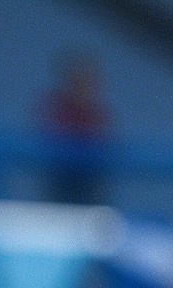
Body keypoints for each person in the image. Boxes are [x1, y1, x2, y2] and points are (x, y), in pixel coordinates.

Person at [37, 48, 113, 207]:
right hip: (59, 185)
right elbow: (47, 141)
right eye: (78, 80)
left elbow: (108, 146)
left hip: (90, 187)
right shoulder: (56, 110)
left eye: (87, 80)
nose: (83, 86)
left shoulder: (99, 115)